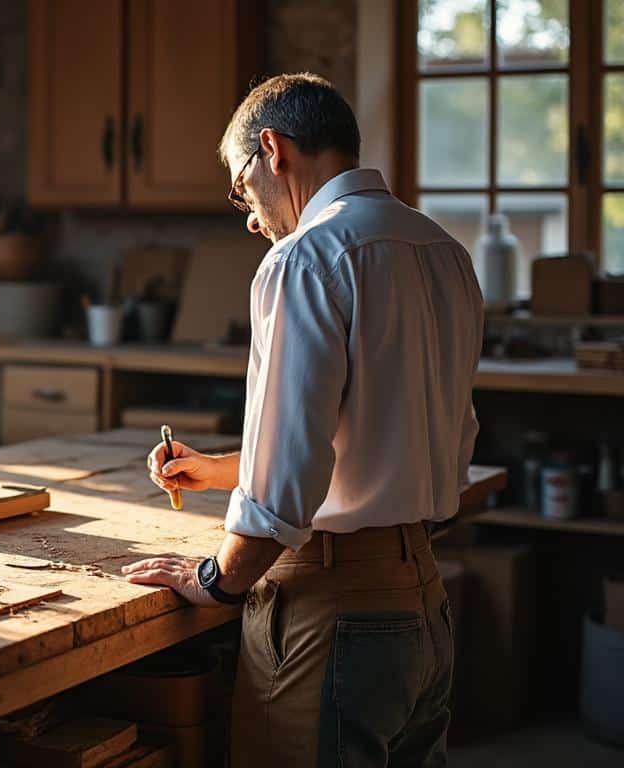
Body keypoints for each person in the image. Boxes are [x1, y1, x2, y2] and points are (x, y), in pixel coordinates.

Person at [121, 73, 484, 767]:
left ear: (272, 149)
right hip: (424, 607)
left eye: (241, 188)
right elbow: (411, 438)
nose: (250, 217)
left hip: (333, 613)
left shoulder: (304, 257)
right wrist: (225, 471)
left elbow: (285, 488)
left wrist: (215, 578)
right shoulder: (443, 251)